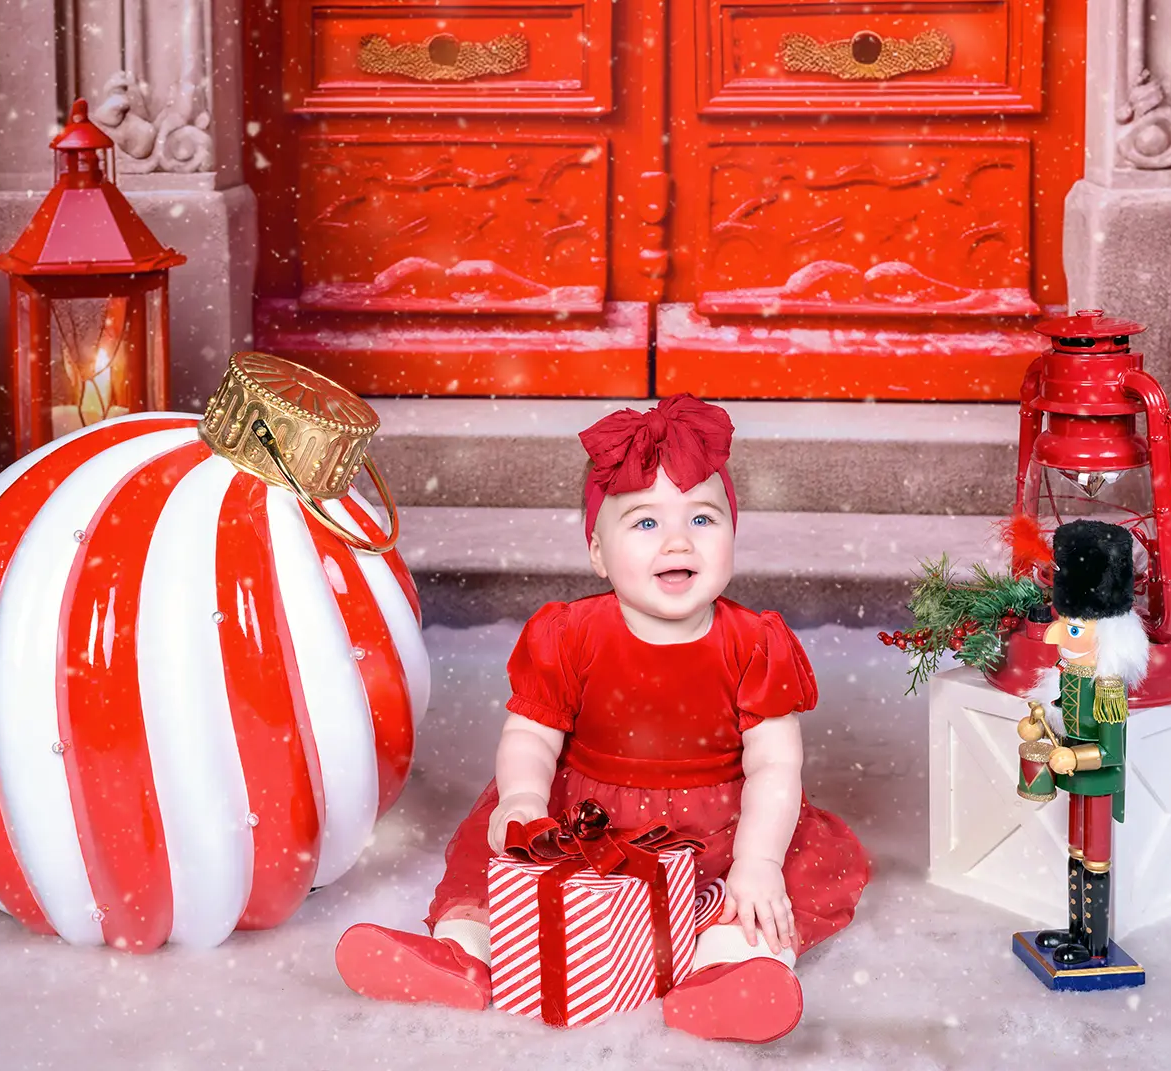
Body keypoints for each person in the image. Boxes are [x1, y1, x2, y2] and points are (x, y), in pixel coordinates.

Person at [334, 393, 870, 1042]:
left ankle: (725, 970)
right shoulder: (569, 635)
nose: (678, 539)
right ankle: (465, 950)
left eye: (703, 518)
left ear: (734, 534)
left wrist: (757, 860)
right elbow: (532, 733)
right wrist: (524, 797)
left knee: (786, 874)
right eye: (645, 523)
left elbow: (776, 764)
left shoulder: (753, 643)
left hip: (719, 827)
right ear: (597, 551)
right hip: (581, 817)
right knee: (493, 851)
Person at [1017, 520, 1149, 967]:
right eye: (1064, 623)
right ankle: (1075, 929)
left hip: (1096, 782)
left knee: (1095, 856)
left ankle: (1094, 944)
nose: (1056, 634)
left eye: (1073, 629)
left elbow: (1111, 751)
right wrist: (1041, 724)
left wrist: (1073, 756)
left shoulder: (1108, 689)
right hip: (1073, 776)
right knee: (1075, 850)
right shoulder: (1070, 676)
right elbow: (1062, 715)